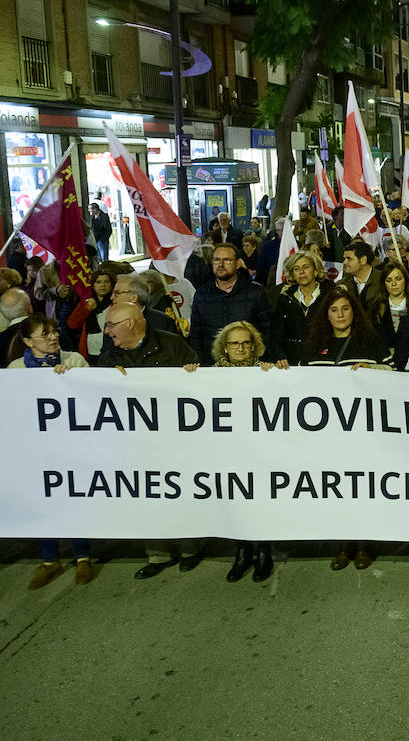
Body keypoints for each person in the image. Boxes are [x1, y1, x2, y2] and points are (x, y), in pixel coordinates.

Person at [0, 313, 93, 588]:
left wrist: (73, 380)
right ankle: (49, 560)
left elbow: (94, 398)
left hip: (71, 447)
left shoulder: (74, 361)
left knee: (75, 499)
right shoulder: (16, 369)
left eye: (55, 330)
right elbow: (6, 406)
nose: (54, 336)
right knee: (44, 503)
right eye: (45, 334)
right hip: (37, 450)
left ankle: (83, 558)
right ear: (28, 340)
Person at [95, 302, 201, 579]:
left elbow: (200, 386)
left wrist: (194, 372)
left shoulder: (173, 345)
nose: (106, 331)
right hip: (135, 442)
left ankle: (189, 549)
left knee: (180, 491)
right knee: (149, 494)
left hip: (174, 436)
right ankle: (158, 553)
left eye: (110, 325)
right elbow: (94, 395)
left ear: (129, 323)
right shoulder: (109, 357)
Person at [302, 287, 388, 571]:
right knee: (336, 490)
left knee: (362, 489)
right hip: (328, 435)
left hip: (363, 432)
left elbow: (396, 376)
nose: (340, 314)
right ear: (326, 314)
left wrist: (373, 371)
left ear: (354, 311)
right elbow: (300, 384)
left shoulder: (371, 341)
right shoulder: (315, 345)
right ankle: (342, 544)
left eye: (345, 308)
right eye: (334, 310)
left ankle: (364, 544)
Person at [211, 321, 282, 583]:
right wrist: (189, 374)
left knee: (260, 500)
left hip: (259, 451)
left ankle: (264, 551)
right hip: (228, 450)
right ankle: (242, 552)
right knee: (236, 501)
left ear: (254, 347)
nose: (240, 348)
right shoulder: (210, 375)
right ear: (225, 348)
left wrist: (276, 373)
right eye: (234, 343)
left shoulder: (266, 371)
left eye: (245, 343)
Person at [189, 243, 272, 366]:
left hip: (250, 368)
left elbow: (268, 332)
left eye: (227, 260)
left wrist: (265, 362)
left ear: (238, 263)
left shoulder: (256, 292)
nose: (220, 264)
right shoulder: (201, 294)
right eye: (217, 260)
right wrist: (198, 364)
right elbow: (196, 334)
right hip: (212, 367)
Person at [270, 251, 332, 364]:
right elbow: (277, 333)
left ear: (316, 270)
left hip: (325, 360)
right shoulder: (285, 297)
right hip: (292, 361)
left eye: (306, 267)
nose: (301, 272)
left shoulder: (331, 295)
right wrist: (280, 356)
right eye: (296, 269)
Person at [66, 269, 116, 364]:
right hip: (90, 348)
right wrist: (86, 309)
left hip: (111, 349)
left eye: (106, 282)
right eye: (98, 282)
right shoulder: (86, 303)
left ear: (112, 284)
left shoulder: (116, 303)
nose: (103, 285)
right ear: (93, 285)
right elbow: (72, 324)